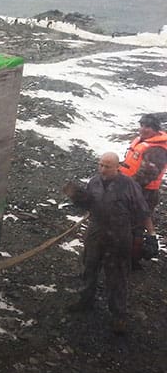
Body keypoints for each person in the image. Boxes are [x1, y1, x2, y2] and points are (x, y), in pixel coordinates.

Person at [62, 152, 150, 335]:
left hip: (118, 237)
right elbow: (90, 204)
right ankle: (85, 301)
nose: (102, 169)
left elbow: (142, 212)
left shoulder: (129, 185)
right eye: (100, 165)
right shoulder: (94, 181)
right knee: (89, 267)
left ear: (118, 167)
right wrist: (78, 197)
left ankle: (119, 315)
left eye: (107, 166)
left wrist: (143, 234)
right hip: (95, 232)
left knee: (117, 276)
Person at [120, 113, 167, 265]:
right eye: (142, 125)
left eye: (147, 126)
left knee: (136, 225)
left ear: (155, 129)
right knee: (127, 221)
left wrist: (123, 185)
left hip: (144, 193)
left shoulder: (157, 150)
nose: (143, 129)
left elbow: (147, 175)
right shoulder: (143, 142)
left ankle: (132, 260)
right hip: (131, 187)